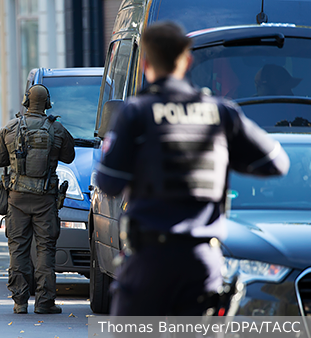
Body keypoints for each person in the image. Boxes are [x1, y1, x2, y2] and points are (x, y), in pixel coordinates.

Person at [95, 21, 290, 316]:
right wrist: (226, 157)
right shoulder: (221, 113)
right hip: (202, 262)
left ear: (146, 63)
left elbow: (108, 183)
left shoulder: (137, 113)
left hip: (150, 261)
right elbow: (276, 162)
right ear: (187, 61)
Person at [0, 84, 75, 314]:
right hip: (46, 200)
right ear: (47, 104)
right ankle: (45, 302)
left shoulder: (10, 128)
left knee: (18, 249)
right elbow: (69, 156)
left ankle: (19, 302)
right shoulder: (56, 129)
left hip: (17, 199)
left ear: (26, 102)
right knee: (45, 250)